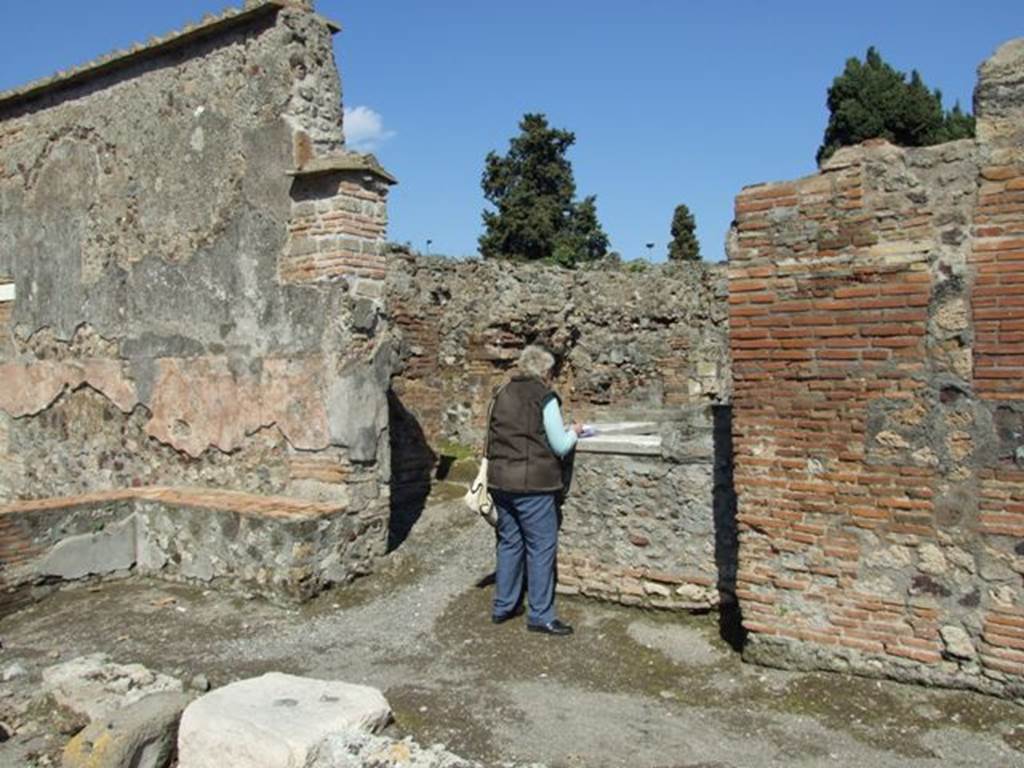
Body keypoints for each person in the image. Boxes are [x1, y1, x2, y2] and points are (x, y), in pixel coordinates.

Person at [486, 345, 582, 636]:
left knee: (509, 543)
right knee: (541, 547)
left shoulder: (501, 393)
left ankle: (504, 605)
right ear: (545, 372)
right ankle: (540, 615)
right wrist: (575, 431)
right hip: (534, 484)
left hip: (500, 481)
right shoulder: (544, 397)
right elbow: (560, 445)